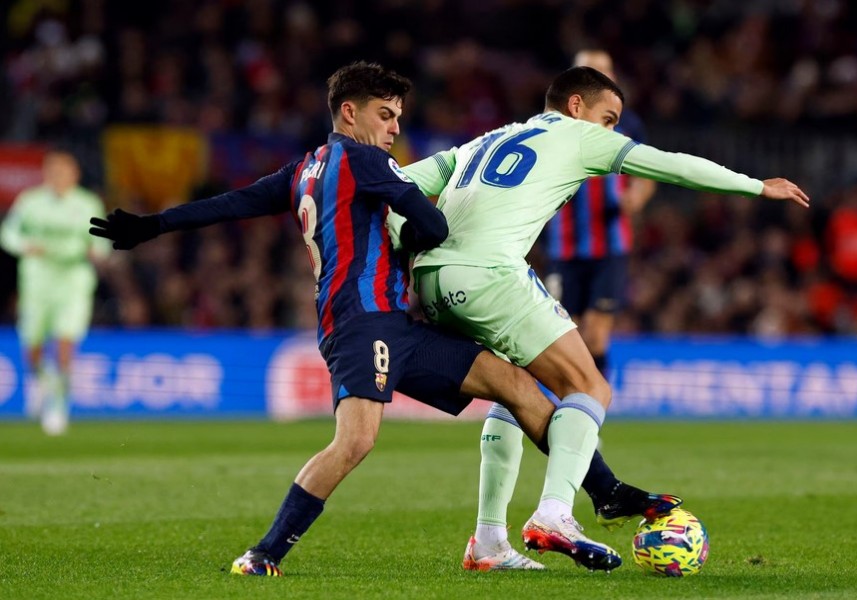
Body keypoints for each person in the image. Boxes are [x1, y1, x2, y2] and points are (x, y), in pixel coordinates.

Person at [88, 62, 623, 576]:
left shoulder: (303, 169)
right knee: (355, 442)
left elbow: (231, 203)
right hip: (363, 324)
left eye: (397, 116)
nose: (395, 127)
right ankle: (263, 553)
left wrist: (154, 225)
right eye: (386, 114)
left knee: (514, 383)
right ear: (350, 112)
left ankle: (599, 495)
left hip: (391, 325)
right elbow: (433, 224)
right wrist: (422, 232)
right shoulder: (367, 162)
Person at [394, 66, 809, 570]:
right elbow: (669, 165)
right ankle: (554, 512)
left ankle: (487, 541)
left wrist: (398, 243)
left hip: (432, 282)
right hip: (488, 276)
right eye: (608, 119)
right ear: (575, 106)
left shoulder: (489, 138)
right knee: (589, 387)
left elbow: (397, 183)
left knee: (512, 390)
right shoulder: (578, 136)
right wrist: (754, 187)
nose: (611, 131)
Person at [545, 49, 656, 378]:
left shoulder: (626, 124)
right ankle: (573, 409)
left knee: (595, 334)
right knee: (565, 339)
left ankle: (591, 416)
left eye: (605, 71)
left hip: (609, 246)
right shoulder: (552, 123)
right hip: (562, 248)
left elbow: (648, 173)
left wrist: (636, 195)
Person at [0, 150, 110, 435]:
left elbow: (102, 243)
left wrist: (97, 251)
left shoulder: (88, 203)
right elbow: (8, 234)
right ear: (46, 175)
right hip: (37, 280)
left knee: (64, 343)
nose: (59, 177)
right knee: (33, 348)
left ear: (75, 175)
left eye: (64, 172)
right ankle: (41, 379)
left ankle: (58, 407)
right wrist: (25, 246)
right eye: (54, 172)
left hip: (73, 280)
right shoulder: (30, 201)